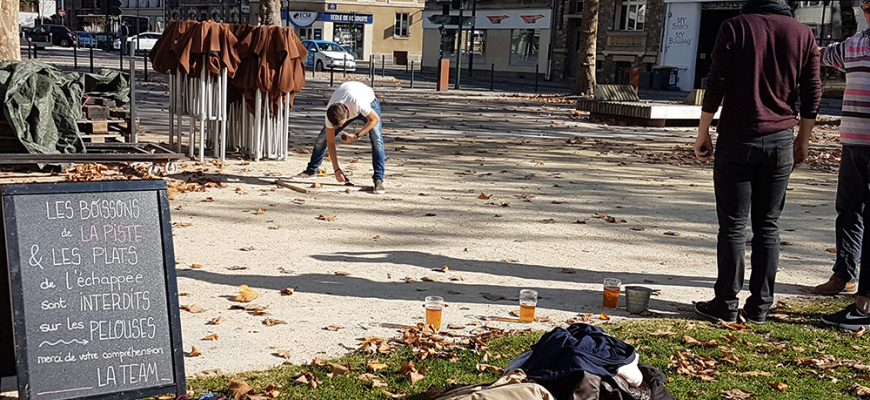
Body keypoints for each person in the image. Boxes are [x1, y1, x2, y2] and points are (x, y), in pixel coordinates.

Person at [692, 0, 822, 324]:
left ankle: (725, 301)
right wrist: (803, 139)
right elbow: (812, 89)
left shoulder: (736, 26)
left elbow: (716, 82)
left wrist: (703, 131)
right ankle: (760, 306)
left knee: (733, 226)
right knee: (768, 226)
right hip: (780, 139)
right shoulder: (803, 33)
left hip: (738, 137)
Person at [817, 0, 870, 330]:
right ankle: (844, 275)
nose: (868, 9)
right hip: (853, 143)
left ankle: (865, 300)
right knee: (848, 209)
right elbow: (819, 53)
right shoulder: (855, 44)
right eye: (866, 5)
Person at [294, 81, 385, 194]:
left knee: (377, 139)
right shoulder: (330, 114)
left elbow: (375, 119)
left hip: (369, 102)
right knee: (322, 139)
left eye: (342, 124)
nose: (340, 127)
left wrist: (357, 136)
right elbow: (331, 143)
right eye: (337, 125)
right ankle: (311, 170)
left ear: (347, 114)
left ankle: (378, 180)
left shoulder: (358, 103)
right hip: (345, 100)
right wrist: (337, 169)